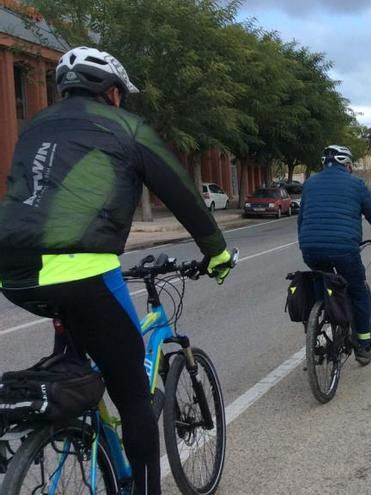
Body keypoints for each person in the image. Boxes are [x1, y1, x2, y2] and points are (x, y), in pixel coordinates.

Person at [0, 46, 234, 495]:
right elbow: (182, 193)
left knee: (79, 354)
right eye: (121, 94)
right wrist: (217, 252)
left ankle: (76, 421)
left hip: (16, 274)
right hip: (81, 271)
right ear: (110, 92)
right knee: (134, 401)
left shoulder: (35, 129)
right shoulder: (127, 127)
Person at [297, 145, 371, 364]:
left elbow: (302, 219)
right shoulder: (356, 185)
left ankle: (314, 337)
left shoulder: (310, 184)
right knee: (358, 292)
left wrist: (306, 244)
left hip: (310, 248)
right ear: (348, 165)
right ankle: (363, 345)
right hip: (344, 250)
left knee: (319, 287)